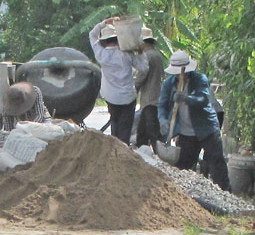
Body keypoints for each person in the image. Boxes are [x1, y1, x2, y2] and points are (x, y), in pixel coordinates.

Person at [158, 50, 230, 191]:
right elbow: (162, 105)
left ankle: (225, 194)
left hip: (206, 128)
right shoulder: (169, 84)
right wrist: (162, 120)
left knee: (216, 163)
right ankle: (184, 195)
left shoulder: (200, 79)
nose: (181, 76)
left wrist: (186, 98)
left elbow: (203, 99)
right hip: (186, 133)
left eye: (183, 72)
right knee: (183, 166)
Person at [90, 17, 146, 143]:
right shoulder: (127, 54)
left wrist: (104, 22)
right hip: (128, 98)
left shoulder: (101, 54)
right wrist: (141, 53)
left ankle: (115, 152)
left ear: (104, 41)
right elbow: (144, 68)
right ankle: (123, 152)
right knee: (125, 130)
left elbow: (92, 35)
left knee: (115, 126)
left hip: (111, 98)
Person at [133, 26, 164, 148]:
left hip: (150, 100)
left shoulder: (147, 56)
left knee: (153, 132)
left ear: (143, 43)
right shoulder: (156, 55)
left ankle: (160, 154)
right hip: (153, 98)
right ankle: (143, 153)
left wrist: (132, 90)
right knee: (142, 132)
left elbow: (141, 76)